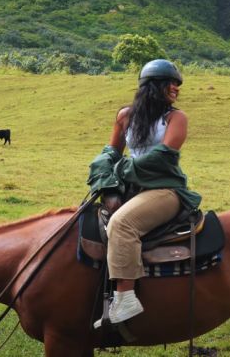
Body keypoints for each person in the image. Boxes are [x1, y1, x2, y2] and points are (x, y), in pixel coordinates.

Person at [87, 59, 201, 328]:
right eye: (171, 83)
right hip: (132, 190)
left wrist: (120, 170)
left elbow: (163, 157)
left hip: (165, 191)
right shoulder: (125, 116)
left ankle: (126, 299)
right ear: (153, 86)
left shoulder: (175, 118)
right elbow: (110, 153)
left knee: (122, 223)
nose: (177, 88)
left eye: (177, 84)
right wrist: (105, 181)